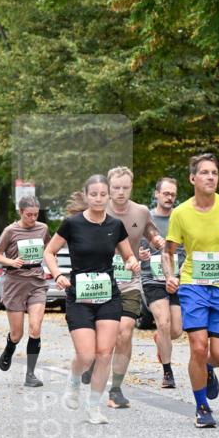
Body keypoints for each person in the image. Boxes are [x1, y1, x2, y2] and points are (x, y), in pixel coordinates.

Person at [163, 153, 219, 428]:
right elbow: (168, 251)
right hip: (193, 286)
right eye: (205, 172)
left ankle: (208, 369)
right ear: (193, 178)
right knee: (198, 347)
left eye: (214, 172)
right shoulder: (181, 213)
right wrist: (170, 276)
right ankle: (202, 406)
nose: (211, 177)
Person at [43, 175, 139, 425]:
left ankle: (93, 406)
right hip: (80, 295)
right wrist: (57, 274)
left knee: (105, 353)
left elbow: (128, 255)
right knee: (86, 355)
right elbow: (49, 252)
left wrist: (132, 262)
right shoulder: (72, 224)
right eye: (93, 194)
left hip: (108, 295)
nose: (98, 198)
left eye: (102, 194)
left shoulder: (115, 225)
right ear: (86, 196)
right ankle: (74, 381)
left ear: (108, 197)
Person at [78, 167, 165, 408]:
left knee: (124, 331)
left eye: (125, 188)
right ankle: (95, 360)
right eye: (115, 188)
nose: (120, 192)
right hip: (98, 282)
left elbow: (150, 232)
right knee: (100, 334)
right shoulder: (96, 210)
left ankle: (115, 388)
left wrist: (157, 241)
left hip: (129, 280)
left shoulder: (141, 211)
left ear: (131, 187)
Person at [0, 195, 51, 387]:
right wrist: (12, 262)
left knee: (35, 327)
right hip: (15, 282)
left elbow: (50, 249)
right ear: (20, 212)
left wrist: (53, 270)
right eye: (28, 215)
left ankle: (31, 373)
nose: (33, 218)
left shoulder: (42, 229)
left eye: (35, 215)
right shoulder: (11, 231)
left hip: (36, 281)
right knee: (17, 334)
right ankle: (10, 347)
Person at [142, 177, 184, 388]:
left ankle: (161, 339)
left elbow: (187, 250)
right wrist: (139, 254)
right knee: (164, 322)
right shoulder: (145, 219)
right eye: (166, 193)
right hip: (152, 279)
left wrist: (180, 273)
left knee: (176, 330)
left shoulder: (181, 218)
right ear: (157, 194)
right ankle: (168, 373)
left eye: (173, 194)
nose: (169, 197)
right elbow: (129, 245)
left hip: (178, 279)